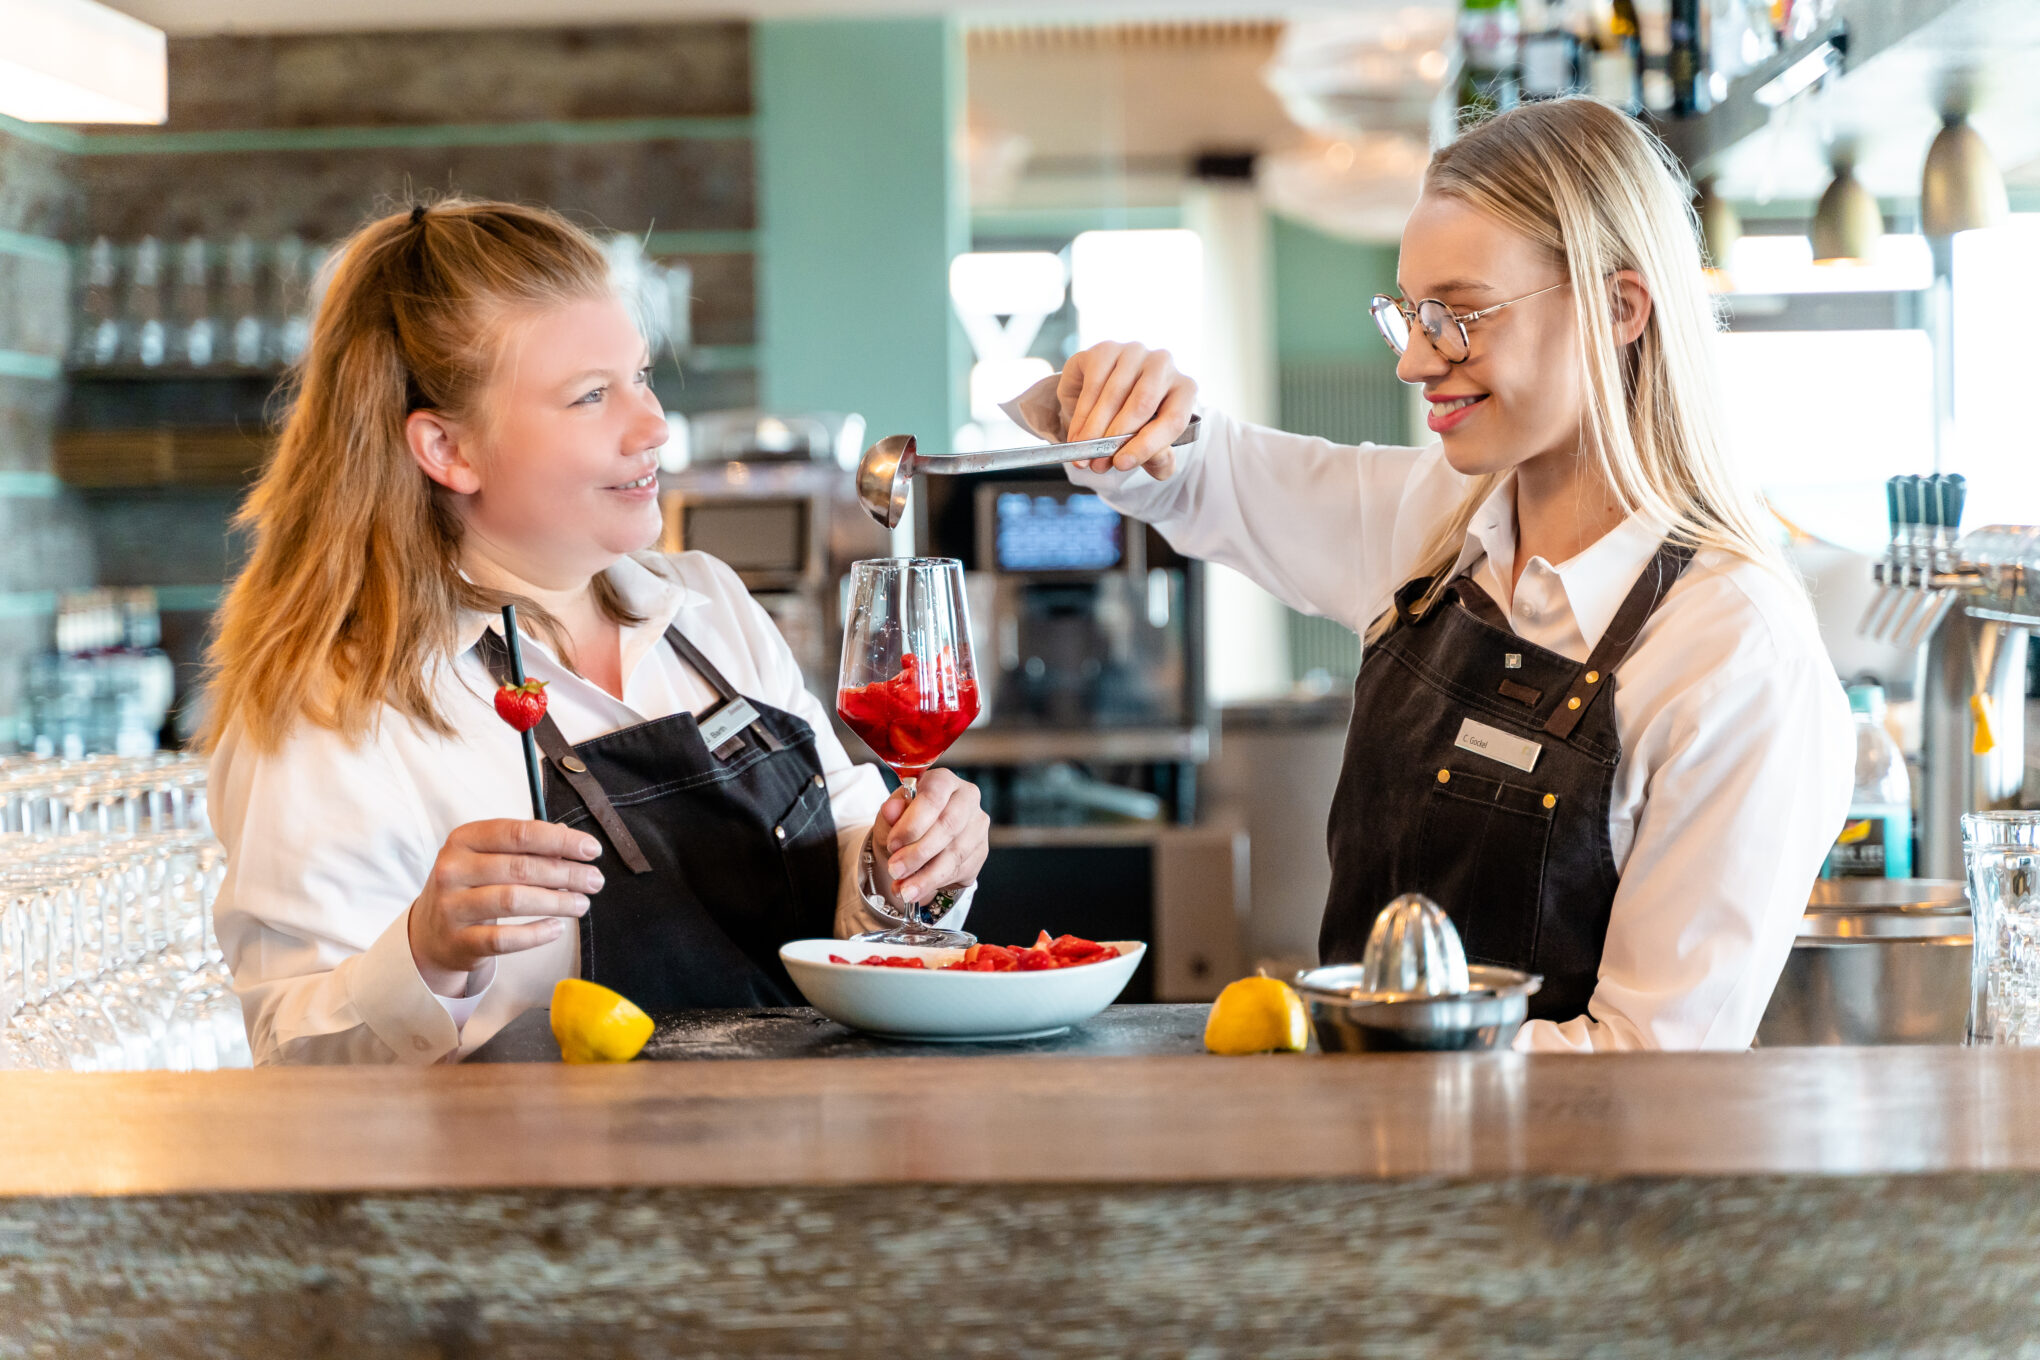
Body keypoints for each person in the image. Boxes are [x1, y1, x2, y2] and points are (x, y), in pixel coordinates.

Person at [1020, 97, 1852, 1051]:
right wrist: (1112, 400)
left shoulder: (1737, 656)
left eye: (1458, 317)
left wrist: (1343, 1058)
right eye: (1411, 315)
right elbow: (1201, 474)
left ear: (1620, 306)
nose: (1417, 361)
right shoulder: (1437, 528)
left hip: (1568, 1197)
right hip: (1371, 1177)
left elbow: (1646, 1067)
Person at [204, 198, 989, 1064]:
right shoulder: (337, 703)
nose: (654, 426)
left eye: (643, 376)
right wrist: (425, 953)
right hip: (542, 1196)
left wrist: (903, 868)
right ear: (448, 450)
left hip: (799, 1175)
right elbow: (292, 1058)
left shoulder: (711, 609)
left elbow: (856, 908)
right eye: (589, 396)